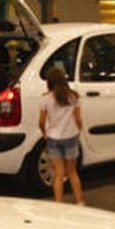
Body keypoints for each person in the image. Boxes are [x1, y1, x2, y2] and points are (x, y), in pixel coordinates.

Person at [38, 68, 84, 204]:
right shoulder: (74, 96)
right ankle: (79, 201)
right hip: (71, 136)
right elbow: (79, 119)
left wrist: (44, 133)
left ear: (49, 82)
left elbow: (41, 121)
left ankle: (58, 203)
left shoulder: (45, 99)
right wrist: (78, 130)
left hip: (53, 138)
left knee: (58, 174)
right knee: (72, 172)